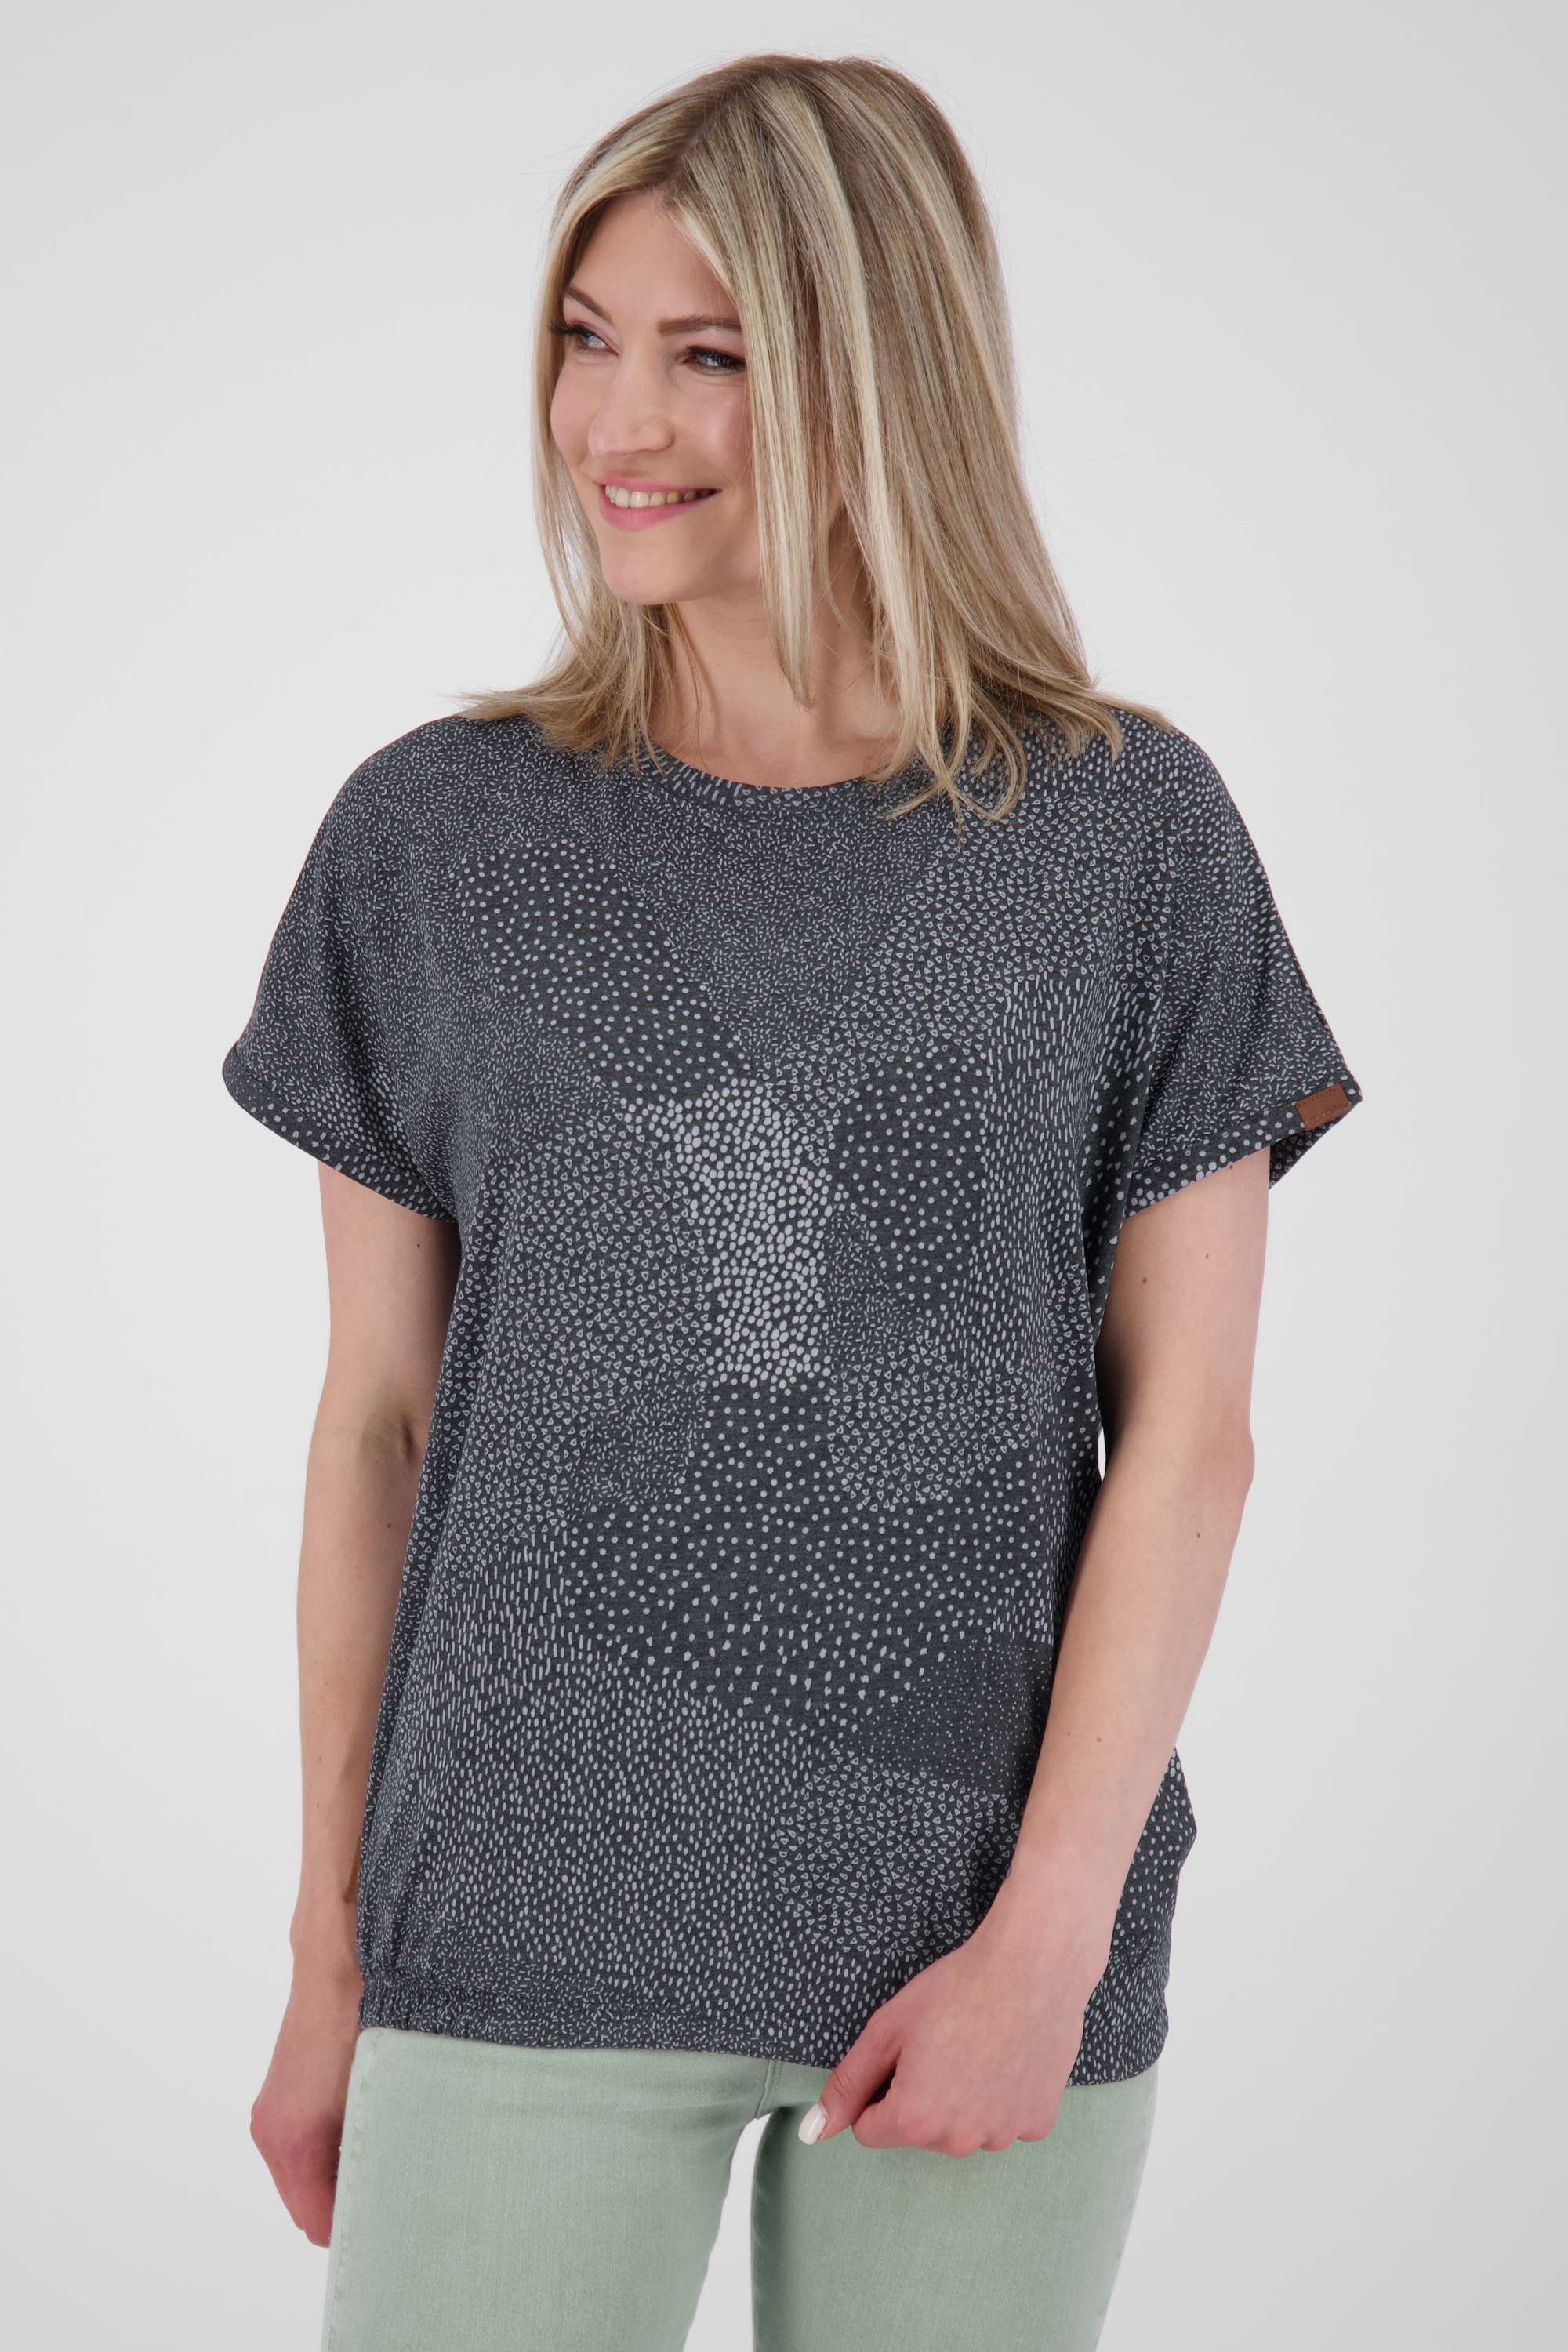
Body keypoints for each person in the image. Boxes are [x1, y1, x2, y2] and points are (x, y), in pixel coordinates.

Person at [226, 53, 1359, 2352]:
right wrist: (329, 1953)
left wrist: (1048, 1943)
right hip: (515, 1913)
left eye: (709, 354)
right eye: (584, 338)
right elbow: (378, 1430)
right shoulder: (435, 838)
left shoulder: (1124, 840)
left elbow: (1192, 1437)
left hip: (978, 1929)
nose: (615, 420)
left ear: (874, 371)